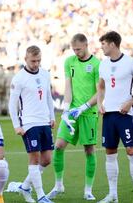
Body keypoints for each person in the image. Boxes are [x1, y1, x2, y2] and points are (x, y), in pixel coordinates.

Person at [96, 31, 133, 203]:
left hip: (125, 114)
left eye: (103, 44)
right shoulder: (103, 65)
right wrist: (99, 103)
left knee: (131, 151)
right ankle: (113, 195)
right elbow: (101, 87)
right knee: (110, 152)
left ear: (112, 44)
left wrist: (131, 102)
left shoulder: (131, 62)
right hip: (108, 115)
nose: (102, 47)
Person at [47, 33, 100, 201]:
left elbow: (100, 92)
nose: (76, 52)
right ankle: (58, 185)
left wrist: (84, 107)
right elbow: (68, 87)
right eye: (74, 49)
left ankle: (88, 190)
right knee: (58, 146)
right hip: (72, 112)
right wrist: (67, 108)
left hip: (89, 113)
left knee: (89, 150)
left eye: (78, 49)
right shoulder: (69, 61)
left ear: (86, 45)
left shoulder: (97, 64)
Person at [8, 45, 55, 203]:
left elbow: (48, 97)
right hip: (28, 123)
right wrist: (16, 125)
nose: (36, 64)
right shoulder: (19, 78)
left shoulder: (45, 74)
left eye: (38, 60)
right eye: (33, 61)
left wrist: (52, 116)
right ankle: (41, 196)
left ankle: (25, 186)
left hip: (44, 121)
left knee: (47, 159)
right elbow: (12, 104)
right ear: (25, 59)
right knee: (34, 159)